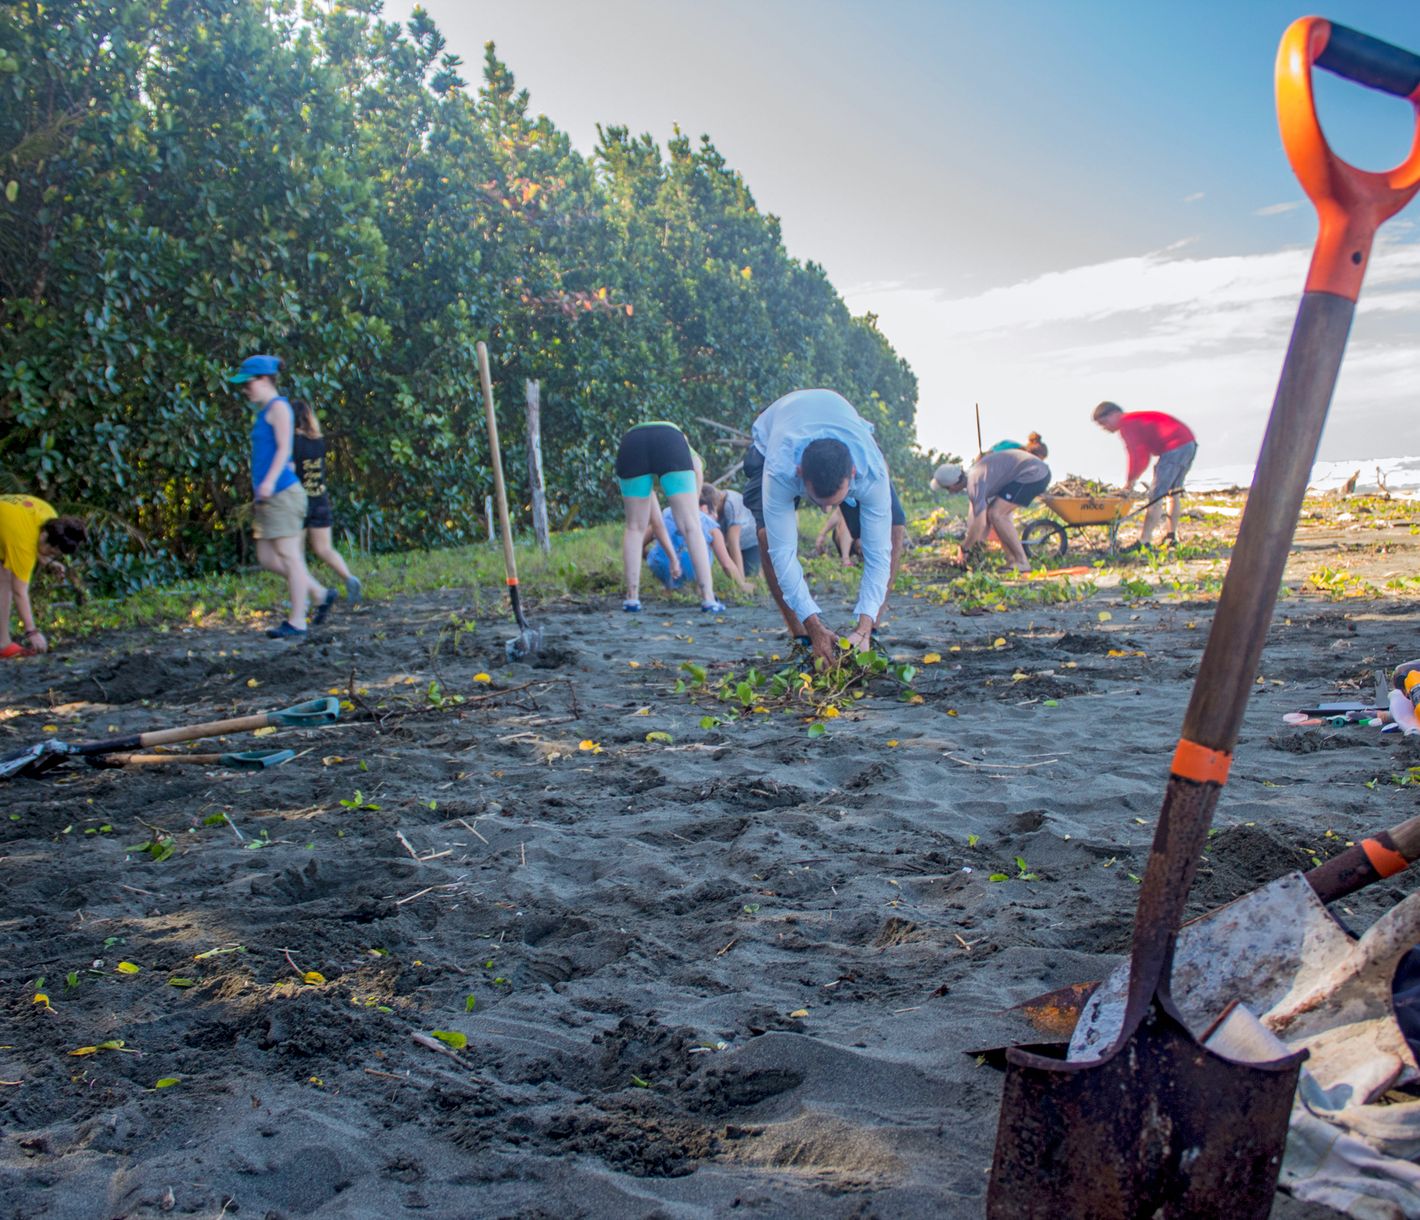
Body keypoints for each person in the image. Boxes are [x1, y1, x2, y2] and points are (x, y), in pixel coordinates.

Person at [742, 388, 905, 661]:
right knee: (768, 537)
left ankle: (868, 633)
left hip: (843, 424)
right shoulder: (780, 469)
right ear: (800, 474)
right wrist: (814, 626)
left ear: (852, 474)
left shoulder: (871, 472)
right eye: (819, 502)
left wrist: (863, 624)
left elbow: (878, 555)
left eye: (835, 501)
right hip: (775, 433)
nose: (827, 509)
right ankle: (803, 638)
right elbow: (783, 555)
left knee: (894, 529)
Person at [228, 354, 336, 639]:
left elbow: (284, 451)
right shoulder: (264, 412)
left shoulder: (280, 408)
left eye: (248, 383)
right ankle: (319, 592)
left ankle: (298, 622)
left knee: (290, 557)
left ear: (264, 379)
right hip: (268, 496)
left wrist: (268, 483)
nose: (244, 389)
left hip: (282, 493)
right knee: (266, 557)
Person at [615, 422, 724, 613]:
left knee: (634, 527)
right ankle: (708, 599)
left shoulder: (637, 437)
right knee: (691, 525)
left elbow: (655, 522)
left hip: (631, 442)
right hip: (669, 439)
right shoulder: (685, 445)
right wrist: (693, 507)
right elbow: (697, 467)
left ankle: (632, 599)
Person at [1092, 402, 1197, 546]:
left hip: (1175, 446)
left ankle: (1144, 541)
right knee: (1173, 493)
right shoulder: (1133, 420)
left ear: (1114, 414)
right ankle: (1171, 536)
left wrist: (1130, 482)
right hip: (1188, 443)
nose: (1104, 428)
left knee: (1156, 496)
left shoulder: (1127, 424)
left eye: (1104, 423)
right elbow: (1142, 455)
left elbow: (1139, 456)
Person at [931, 447, 1051, 572]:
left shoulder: (975, 484)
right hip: (1031, 471)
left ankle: (1022, 561)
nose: (949, 493)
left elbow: (980, 523)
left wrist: (965, 548)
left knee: (997, 514)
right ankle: (1012, 560)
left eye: (947, 489)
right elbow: (983, 522)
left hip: (1034, 474)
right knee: (994, 514)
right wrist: (977, 545)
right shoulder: (976, 476)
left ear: (953, 485)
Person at [292, 399, 362, 602]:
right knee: (325, 549)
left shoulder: (292, 442)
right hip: (320, 500)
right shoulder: (318, 440)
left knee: (295, 555)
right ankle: (349, 578)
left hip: (299, 503)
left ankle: (303, 594)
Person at [0, 494, 87, 658]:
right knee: (6, 579)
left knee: (3, 575)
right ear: (45, 538)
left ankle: (3, 644)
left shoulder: (50, 517)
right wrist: (32, 632)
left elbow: (36, 544)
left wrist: (48, 562)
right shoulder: (23, 544)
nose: (51, 555)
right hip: (10, 530)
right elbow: (19, 592)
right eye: (52, 552)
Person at [647, 495, 752, 594]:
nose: (716, 517)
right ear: (704, 508)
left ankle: (670, 587)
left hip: (660, 566)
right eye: (715, 513)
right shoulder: (709, 524)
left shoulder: (665, 515)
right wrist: (741, 584)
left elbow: (640, 545)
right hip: (692, 570)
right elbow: (726, 564)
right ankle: (700, 588)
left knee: (662, 551)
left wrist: (651, 558)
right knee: (702, 549)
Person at [700, 482, 761, 579]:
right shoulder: (715, 498)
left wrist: (741, 581)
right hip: (728, 540)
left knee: (749, 574)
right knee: (731, 574)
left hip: (750, 541)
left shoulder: (731, 505)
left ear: (715, 503)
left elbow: (734, 545)